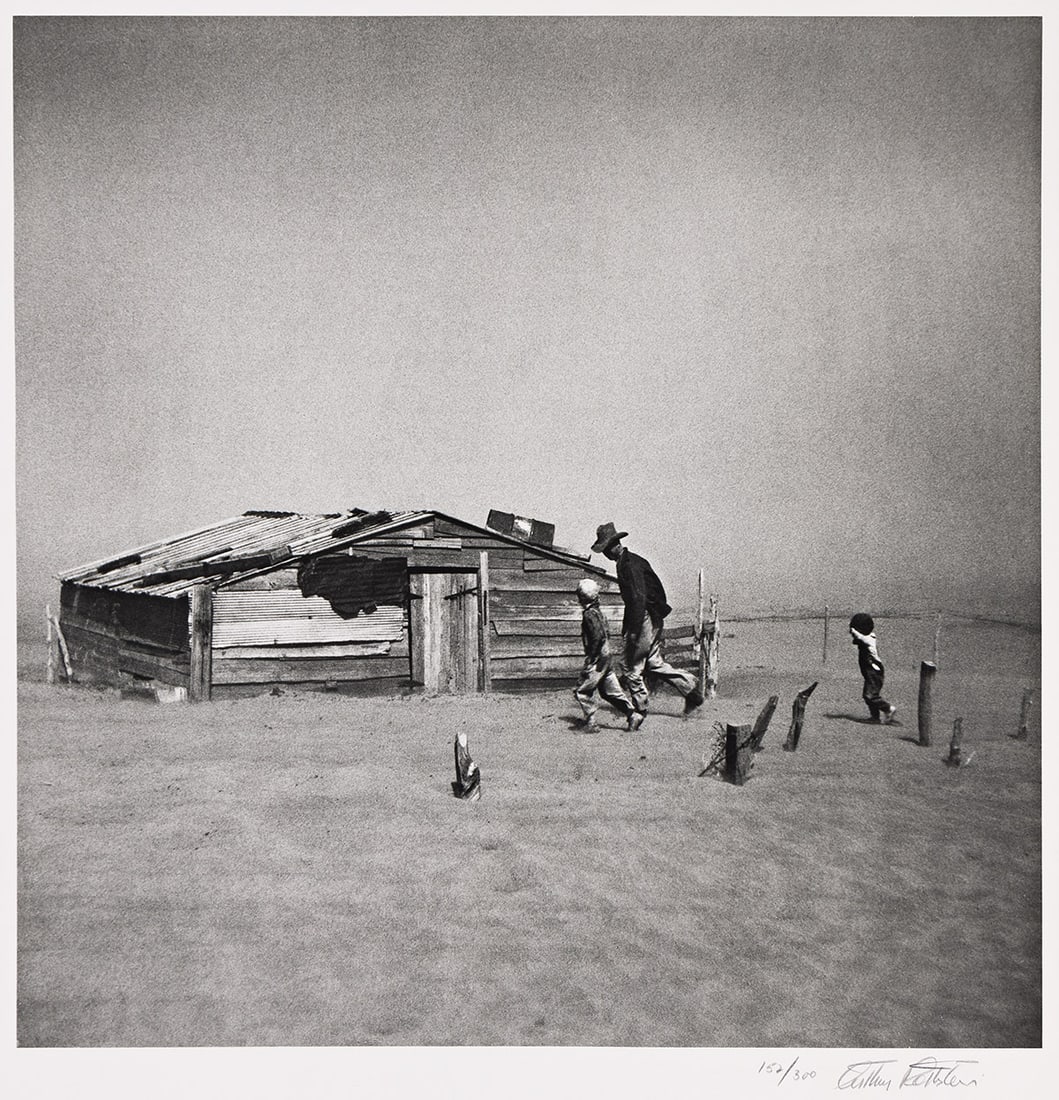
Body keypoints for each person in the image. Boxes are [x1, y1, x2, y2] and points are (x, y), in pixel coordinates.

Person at [590, 522, 705, 729]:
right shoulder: (627, 561)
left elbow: (638, 598)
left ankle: (639, 711)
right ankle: (691, 690)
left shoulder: (629, 565)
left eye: (606, 549)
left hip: (644, 617)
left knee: (632, 668)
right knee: (653, 664)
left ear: (615, 545)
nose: (605, 554)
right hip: (649, 616)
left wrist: (633, 632)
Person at [572, 578, 636, 728]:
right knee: (610, 691)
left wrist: (591, 658)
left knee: (582, 690)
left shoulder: (589, 614)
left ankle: (591, 722)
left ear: (581, 597)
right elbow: (605, 634)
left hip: (599, 657)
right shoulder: (599, 612)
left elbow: (597, 637)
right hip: (607, 655)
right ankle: (633, 714)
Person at [848, 612, 897, 723]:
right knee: (871, 696)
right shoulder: (865, 638)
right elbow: (857, 639)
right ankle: (875, 718)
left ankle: (889, 709)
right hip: (870, 672)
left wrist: (853, 630)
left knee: (869, 696)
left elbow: (860, 637)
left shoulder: (869, 639)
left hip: (874, 672)